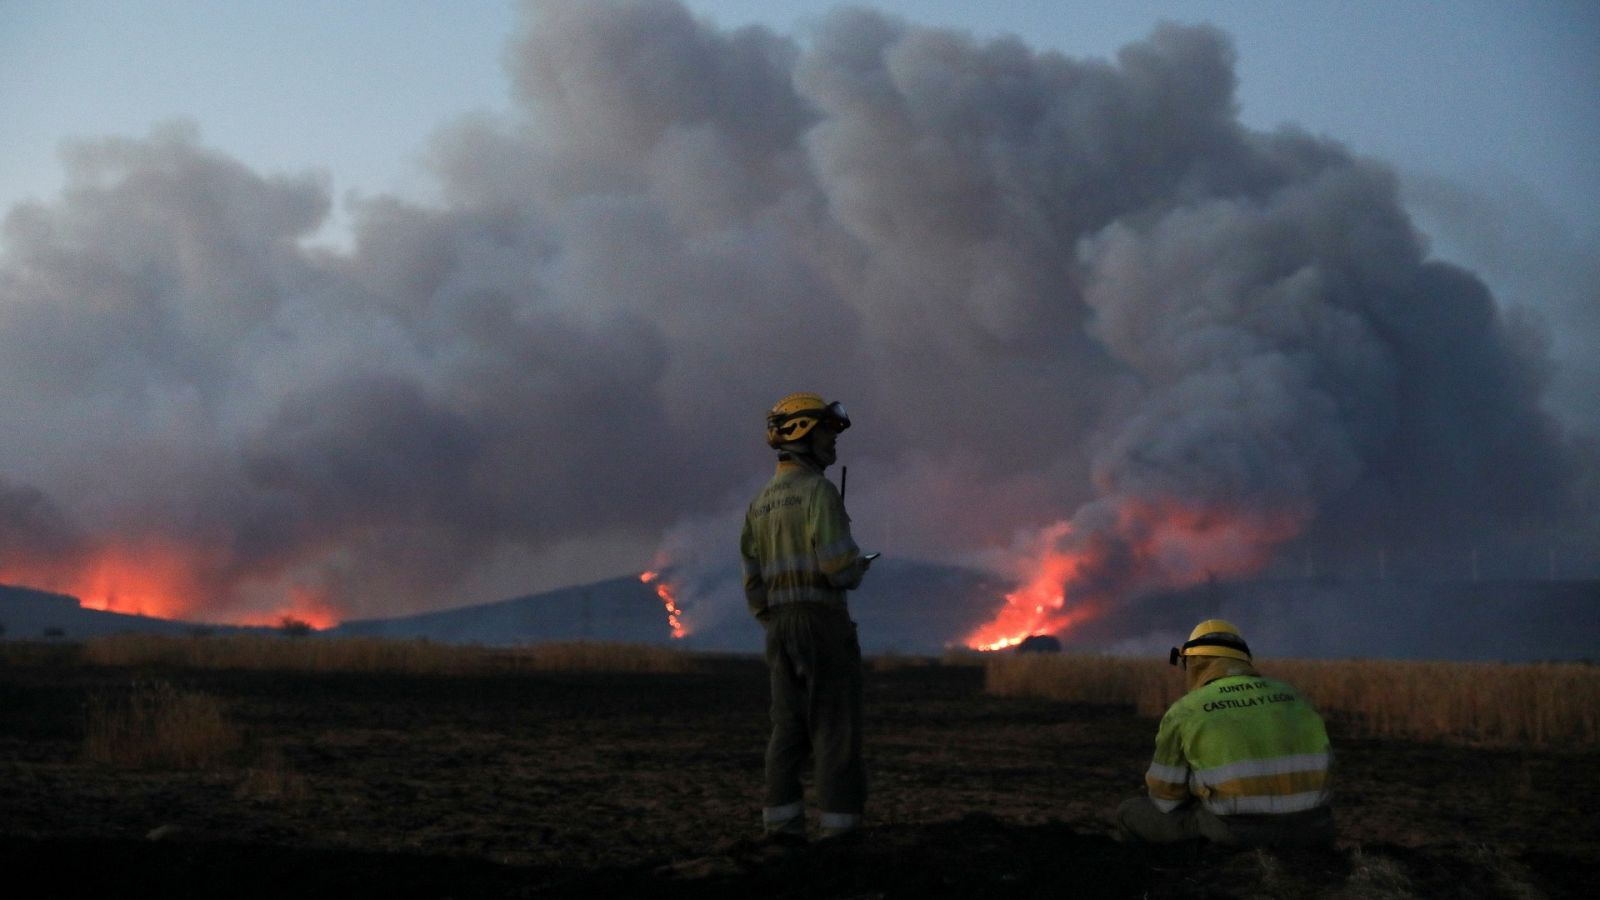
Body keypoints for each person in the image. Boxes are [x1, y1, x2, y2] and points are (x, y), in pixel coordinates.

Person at [740, 392, 873, 844]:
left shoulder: (759, 503)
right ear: (801, 434)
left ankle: (781, 829)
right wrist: (858, 565)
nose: (833, 444)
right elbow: (838, 567)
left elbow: (753, 580)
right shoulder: (819, 492)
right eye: (826, 433)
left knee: (788, 728)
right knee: (835, 727)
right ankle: (840, 833)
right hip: (822, 622)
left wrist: (775, 622)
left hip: (778, 627)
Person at [1116, 619, 1335, 847]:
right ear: (1243, 659)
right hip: (1316, 829)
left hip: (1239, 835)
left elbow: (1165, 798)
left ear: (1194, 663)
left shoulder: (1186, 710)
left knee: (1129, 813)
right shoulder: (1295, 697)